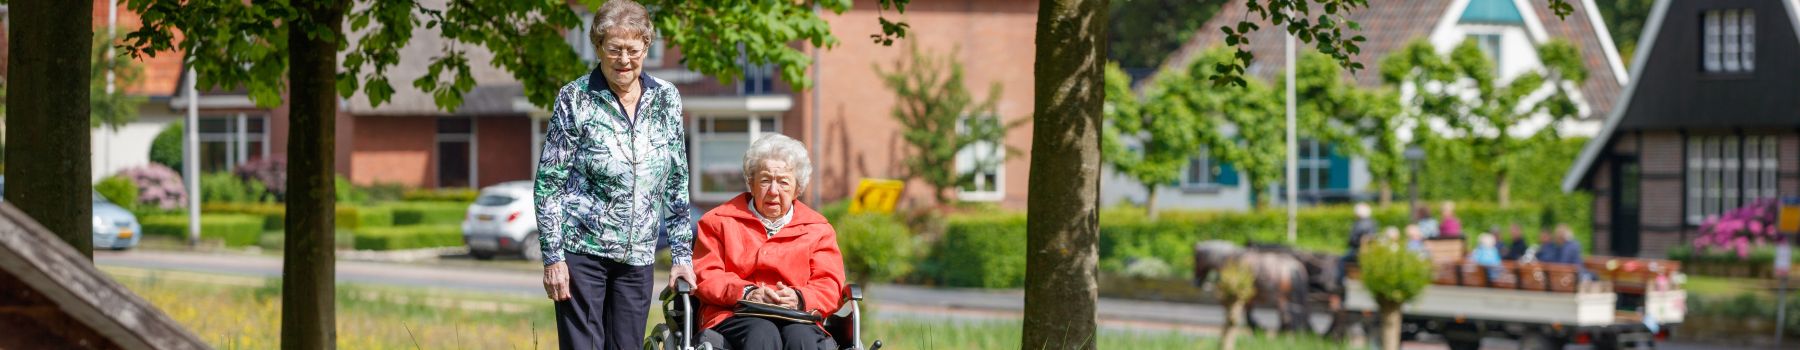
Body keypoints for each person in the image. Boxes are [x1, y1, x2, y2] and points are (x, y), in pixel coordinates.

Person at [534, 1, 694, 348]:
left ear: (647, 47)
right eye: (614, 49)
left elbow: (678, 181)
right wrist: (554, 258)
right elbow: (548, 186)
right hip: (582, 252)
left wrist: (682, 257)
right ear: (597, 48)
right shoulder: (575, 98)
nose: (624, 60)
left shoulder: (667, 98)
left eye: (633, 50)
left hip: (638, 257)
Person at [694, 134, 847, 350]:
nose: (773, 191)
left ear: (798, 188)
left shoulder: (818, 229)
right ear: (751, 183)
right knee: (762, 333)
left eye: (783, 182)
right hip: (734, 313)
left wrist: (799, 297)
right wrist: (746, 292)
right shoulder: (718, 221)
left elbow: (829, 284)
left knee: (803, 339)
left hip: (798, 315)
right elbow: (706, 275)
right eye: (765, 180)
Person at [1340, 203, 1378, 281]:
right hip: (1369, 250)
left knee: (1340, 260)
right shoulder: (1373, 223)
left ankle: (1340, 280)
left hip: (1358, 250)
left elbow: (1352, 239)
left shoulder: (1359, 224)